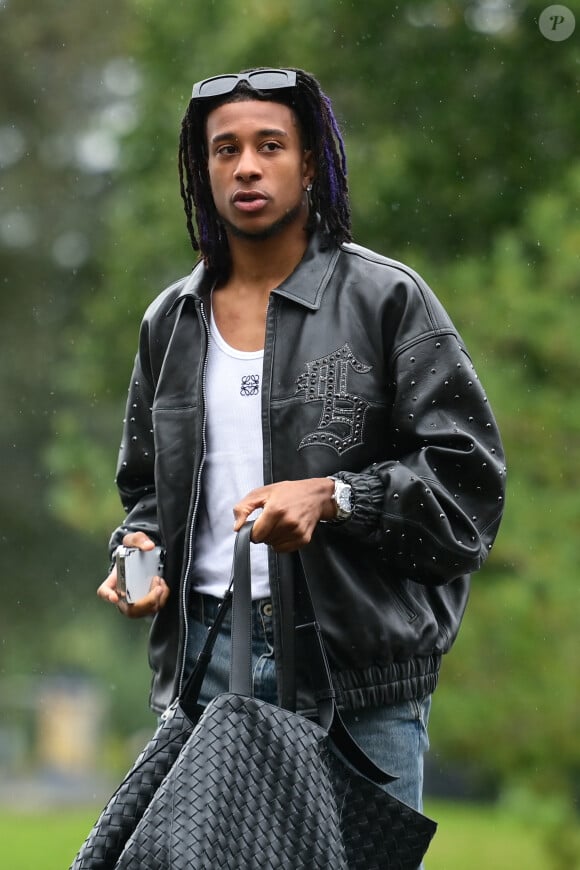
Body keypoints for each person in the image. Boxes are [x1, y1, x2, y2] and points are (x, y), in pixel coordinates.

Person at [97, 68, 506, 821]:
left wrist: (338, 497)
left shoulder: (387, 299)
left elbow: (467, 492)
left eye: (269, 145)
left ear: (310, 162)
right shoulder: (172, 321)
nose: (245, 165)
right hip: (204, 671)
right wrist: (136, 550)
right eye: (225, 150)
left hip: (354, 683)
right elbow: (148, 489)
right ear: (204, 169)